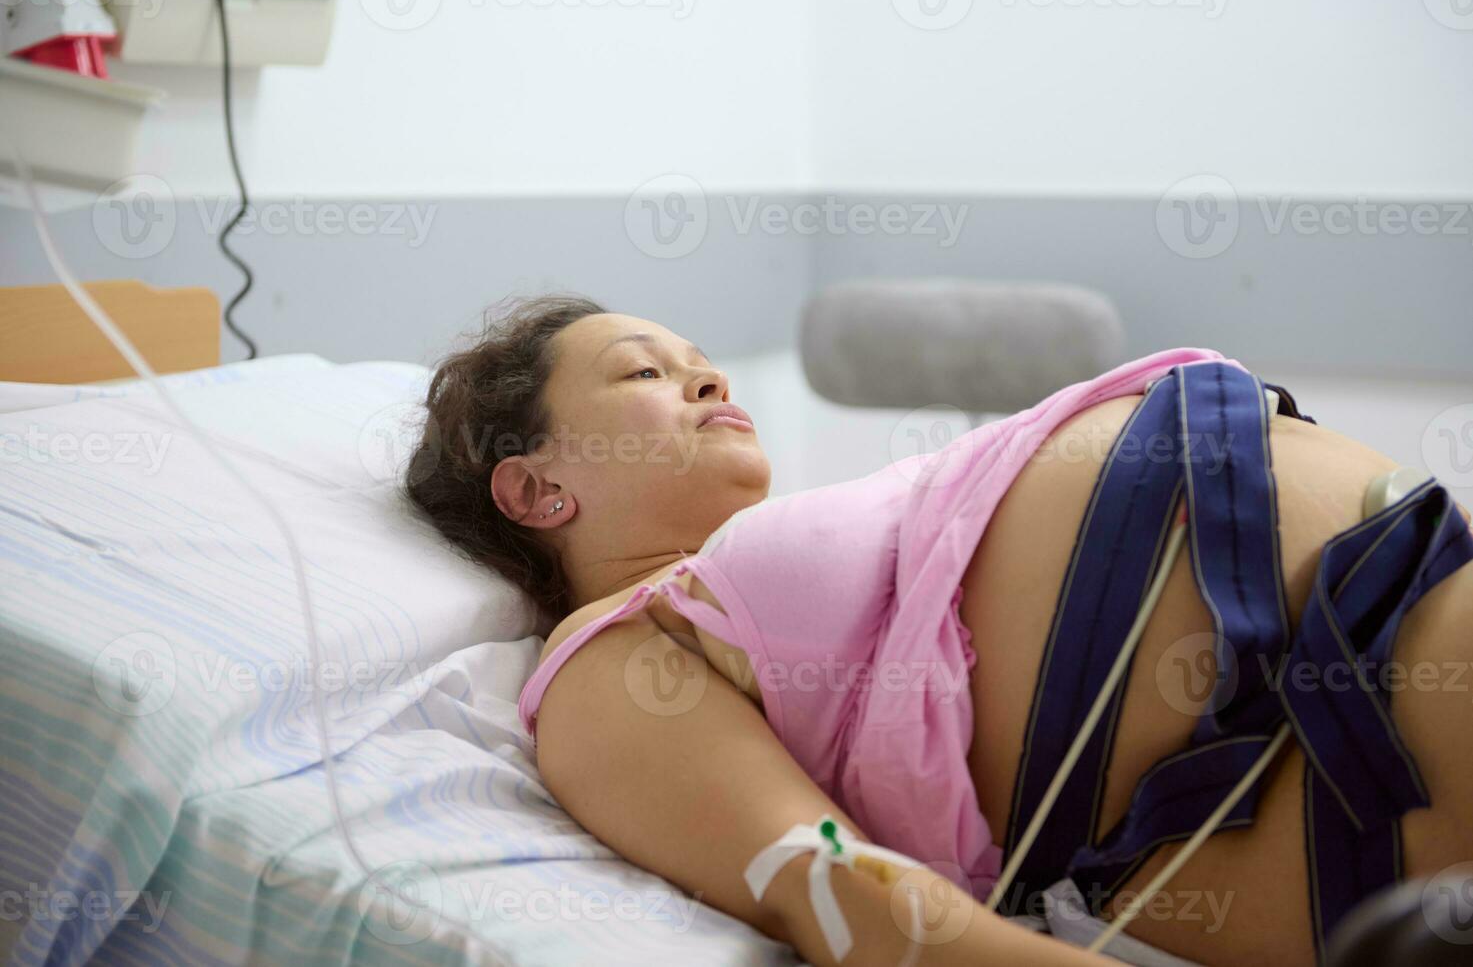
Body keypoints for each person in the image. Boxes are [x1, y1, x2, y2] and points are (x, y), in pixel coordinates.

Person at [406, 295, 1473, 967]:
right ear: (536, 487)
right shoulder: (610, 660)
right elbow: (859, 904)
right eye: (644, 369)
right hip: (1335, 755)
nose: (709, 376)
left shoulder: (809, 546)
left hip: (1411, 578)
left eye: (701, 359)